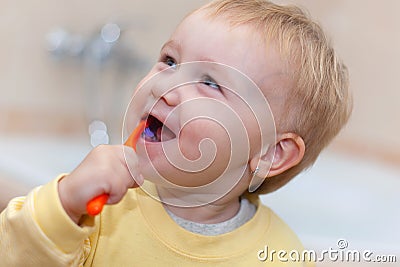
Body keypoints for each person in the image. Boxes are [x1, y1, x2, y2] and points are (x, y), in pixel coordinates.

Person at [0, 0, 351, 266]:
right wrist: (62, 204)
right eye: (170, 61)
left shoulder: (280, 255)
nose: (165, 86)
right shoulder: (97, 209)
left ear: (273, 153)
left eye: (210, 83)